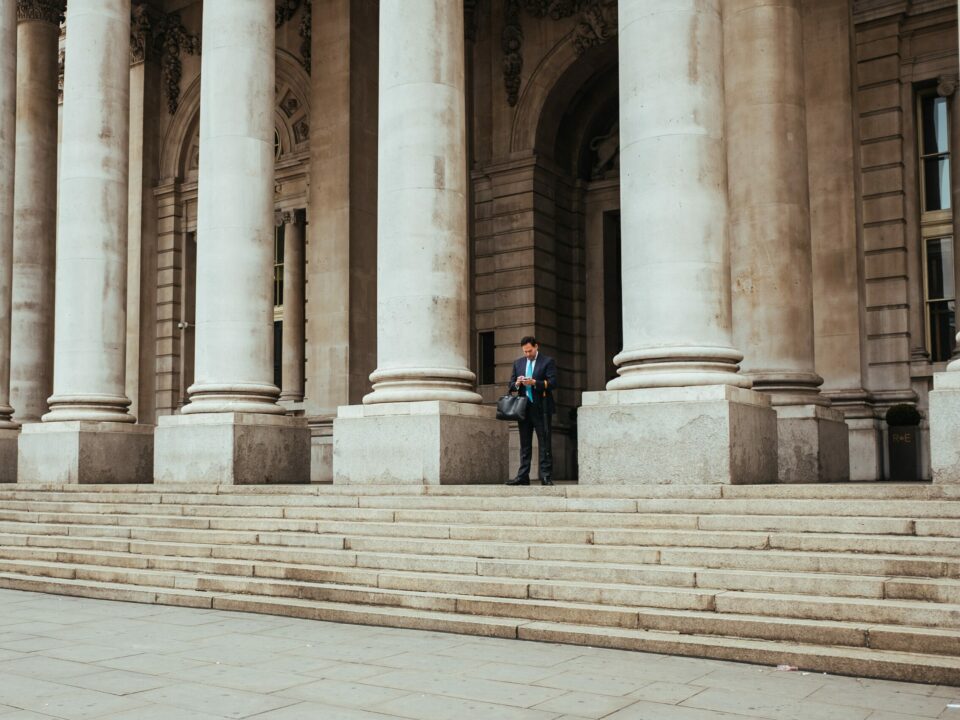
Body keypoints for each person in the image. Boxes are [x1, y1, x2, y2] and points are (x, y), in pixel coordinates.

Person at [506, 336, 557, 486]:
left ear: (536, 346)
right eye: (525, 351)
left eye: (530, 350)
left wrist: (535, 382)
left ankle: (546, 476)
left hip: (542, 409)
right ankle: (523, 476)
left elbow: (553, 383)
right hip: (523, 408)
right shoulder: (518, 363)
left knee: (544, 443)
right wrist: (517, 383)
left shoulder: (547, 361)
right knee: (525, 444)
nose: (527, 354)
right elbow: (511, 385)